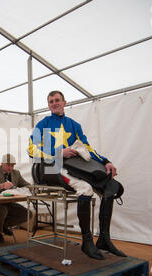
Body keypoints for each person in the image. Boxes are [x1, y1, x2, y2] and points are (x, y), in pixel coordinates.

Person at [28, 90, 126, 260]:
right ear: (49, 105)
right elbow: (31, 149)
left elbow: (87, 148)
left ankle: (104, 239)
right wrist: (59, 152)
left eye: (57, 100)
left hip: (72, 166)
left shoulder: (74, 125)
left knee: (109, 187)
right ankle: (87, 242)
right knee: (85, 188)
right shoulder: (42, 124)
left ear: (64, 102)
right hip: (48, 168)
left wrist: (105, 162)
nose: (54, 103)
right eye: (51, 101)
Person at [0, 154, 32, 243]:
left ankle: (0, 226)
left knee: (27, 214)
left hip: (8, 203)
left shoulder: (16, 173)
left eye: (12, 165)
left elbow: (26, 184)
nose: (11, 168)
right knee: (2, 210)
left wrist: (34, 188)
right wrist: (2, 186)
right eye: (8, 165)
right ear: (2, 163)